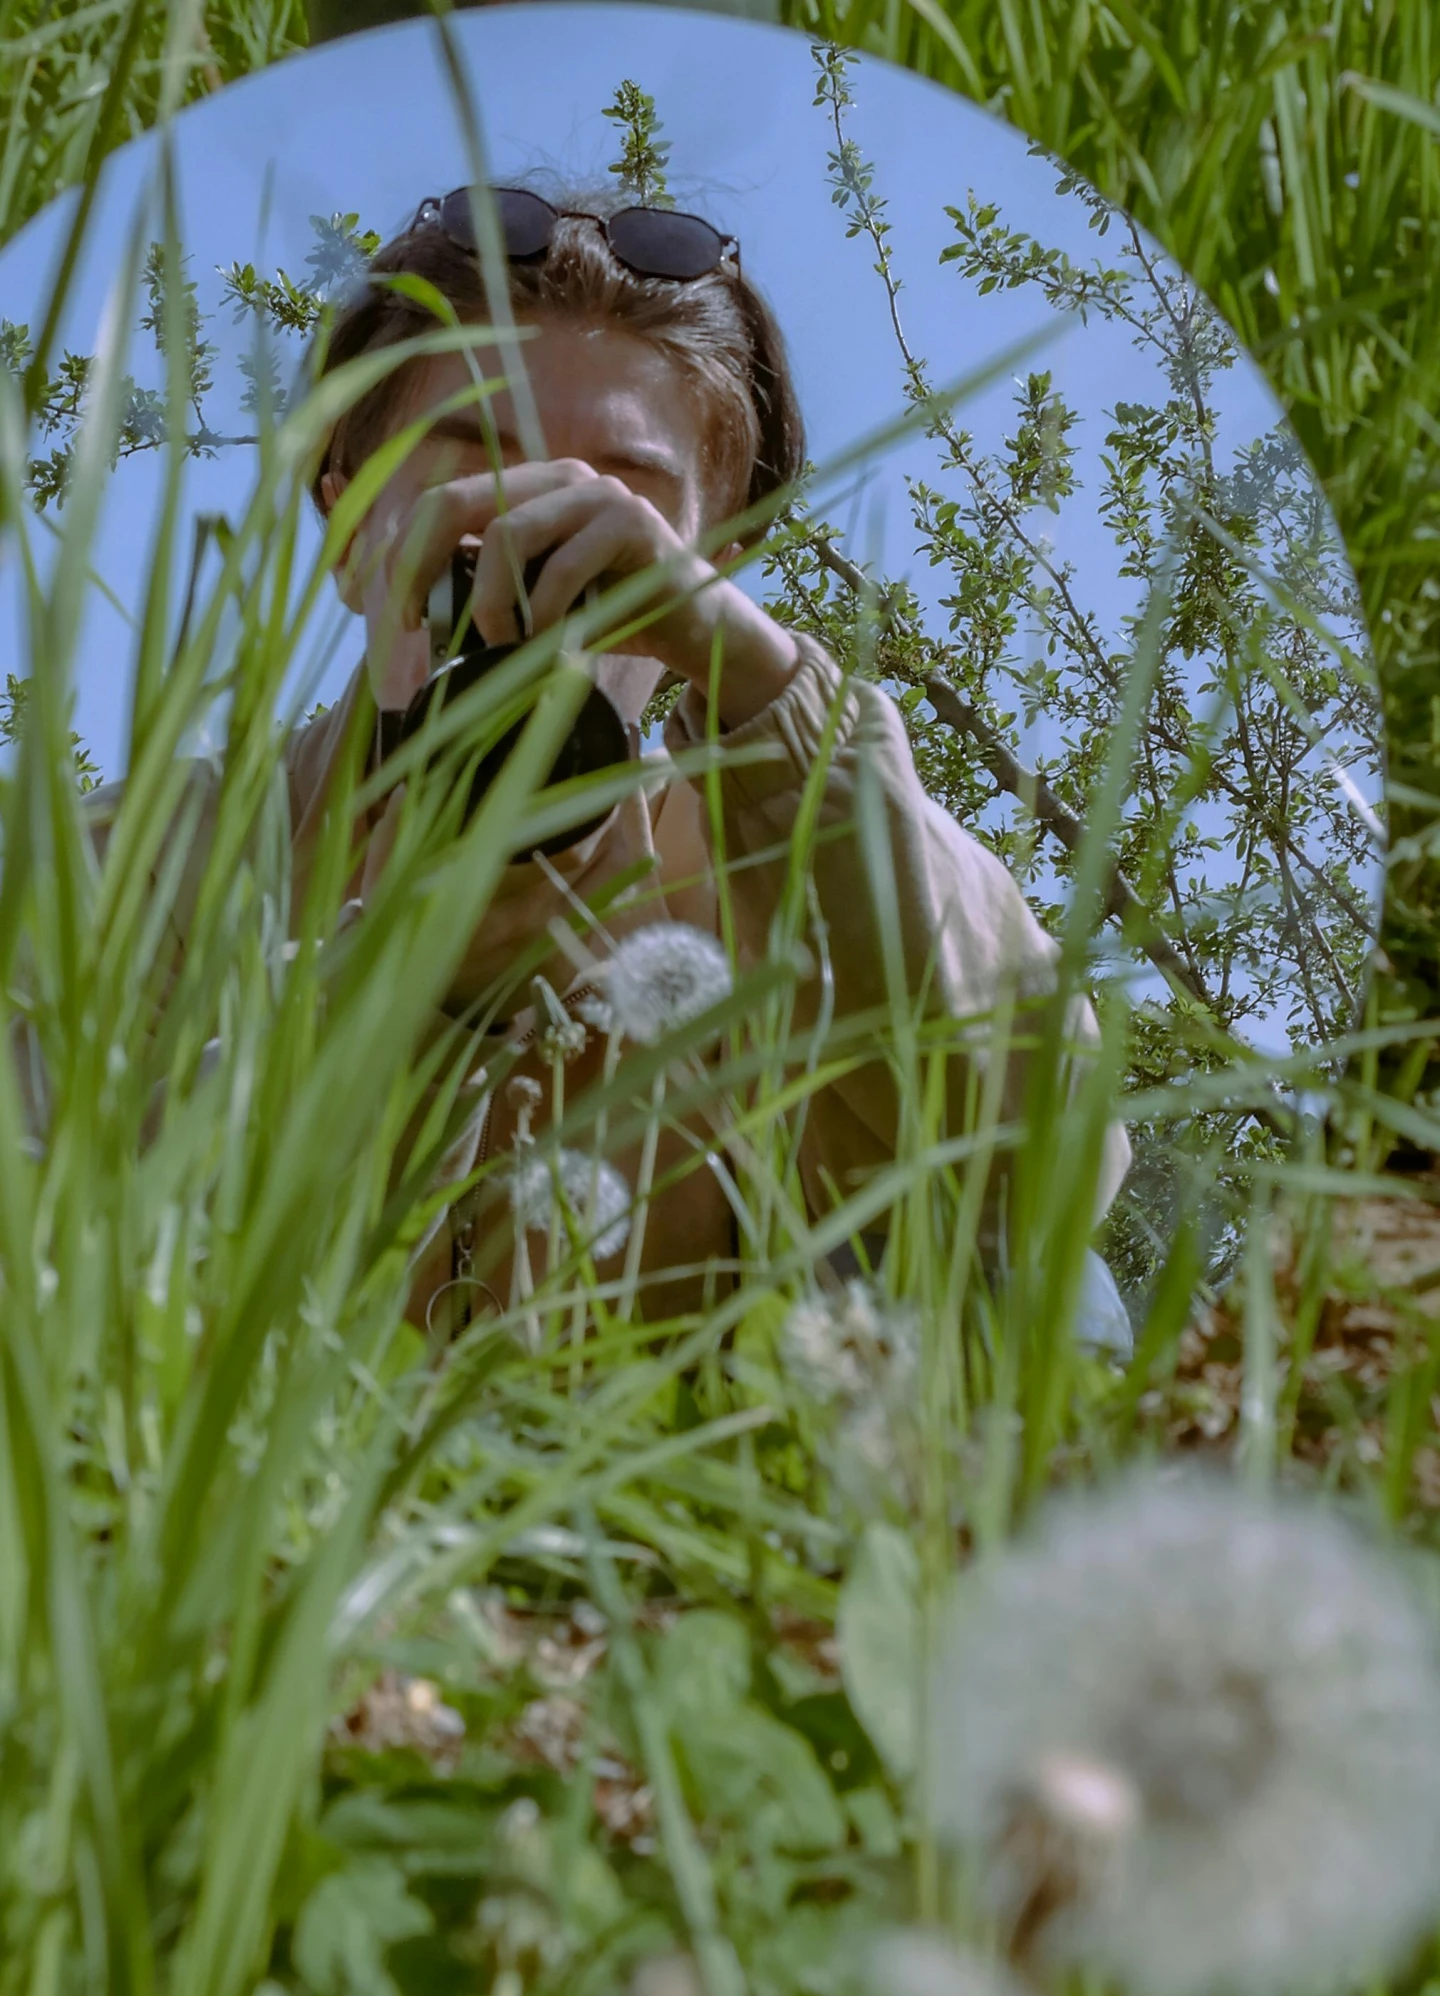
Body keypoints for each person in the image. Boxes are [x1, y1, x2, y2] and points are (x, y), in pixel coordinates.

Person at [103, 181, 1132, 1334]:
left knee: (1037, 1285)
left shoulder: (790, 865)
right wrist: (404, 972)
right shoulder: (142, 862)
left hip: (700, 1483)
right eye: (471, 471)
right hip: (246, 1480)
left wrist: (772, 699)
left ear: (712, 568)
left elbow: (1037, 1175)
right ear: (348, 532)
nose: (532, 541)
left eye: (618, 505)